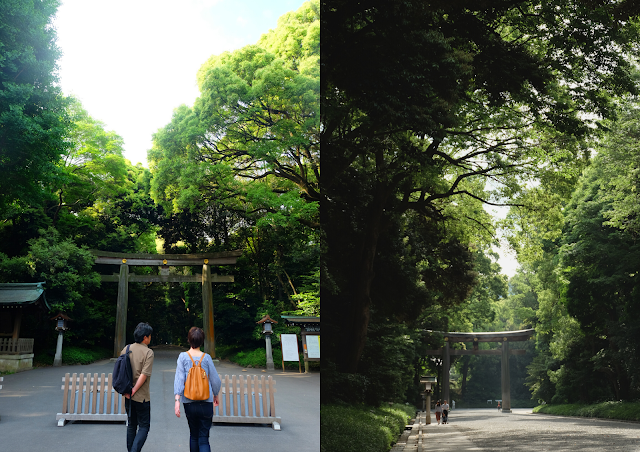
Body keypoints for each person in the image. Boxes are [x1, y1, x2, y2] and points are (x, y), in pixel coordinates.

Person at [174, 327, 222, 452]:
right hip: (206, 402)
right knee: (204, 438)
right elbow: (216, 380)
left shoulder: (183, 357)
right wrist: (215, 395)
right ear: (202, 341)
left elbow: (179, 379)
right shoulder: (207, 358)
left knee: (193, 435)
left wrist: (177, 400)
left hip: (189, 402)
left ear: (189, 340)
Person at [122, 322, 155, 452]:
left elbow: (120, 372)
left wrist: (126, 391)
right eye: (150, 336)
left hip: (127, 396)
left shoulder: (126, 349)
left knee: (131, 425)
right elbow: (144, 375)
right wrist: (134, 390)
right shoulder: (148, 352)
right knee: (144, 426)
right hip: (141, 397)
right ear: (145, 337)